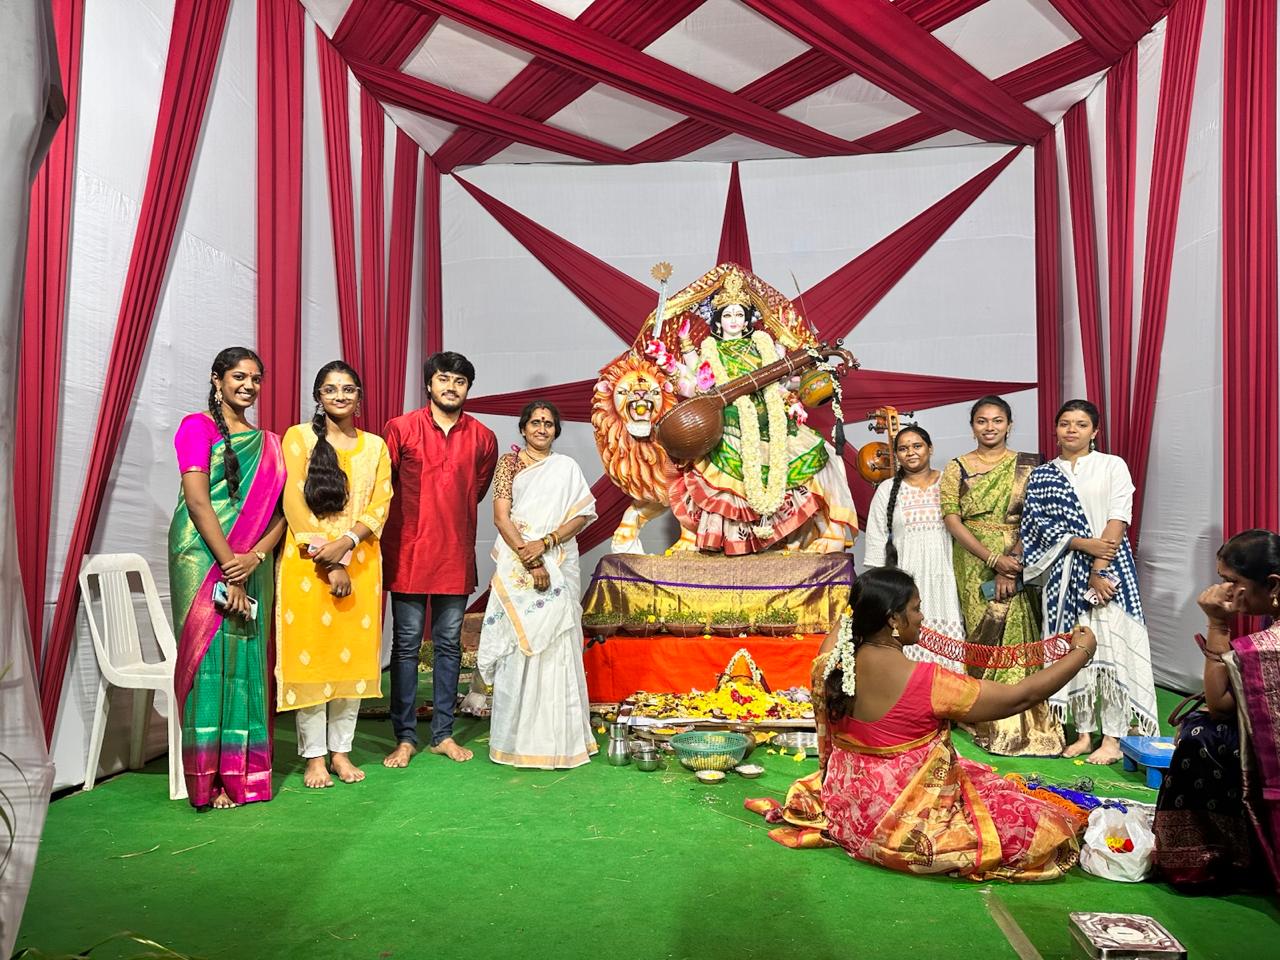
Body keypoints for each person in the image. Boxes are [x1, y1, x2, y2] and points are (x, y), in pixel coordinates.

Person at [748, 568, 1094, 880]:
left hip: (848, 812)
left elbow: (847, 619)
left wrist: (864, 603)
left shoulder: (831, 663)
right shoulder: (929, 682)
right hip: (903, 826)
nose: (922, 616)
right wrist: (1081, 653)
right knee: (1038, 825)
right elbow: (1019, 697)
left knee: (980, 778)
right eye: (915, 608)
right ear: (892, 619)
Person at [661, 267, 858, 555]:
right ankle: (729, 542)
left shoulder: (763, 346)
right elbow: (696, 383)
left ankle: (825, 531)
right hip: (729, 423)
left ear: (747, 319)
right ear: (718, 321)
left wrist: (799, 390)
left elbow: (783, 382)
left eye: (739, 315)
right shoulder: (710, 349)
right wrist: (669, 359)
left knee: (816, 458)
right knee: (724, 482)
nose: (733, 320)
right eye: (727, 315)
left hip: (771, 417)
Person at [168, 347, 286, 811]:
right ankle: (207, 780)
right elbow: (198, 502)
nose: (248, 386)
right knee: (209, 662)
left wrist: (253, 557)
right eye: (239, 376)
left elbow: (282, 515)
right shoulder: (195, 427)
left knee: (245, 660)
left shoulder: (269, 444)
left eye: (256, 379)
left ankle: (242, 775)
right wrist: (229, 565)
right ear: (217, 380)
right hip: (201, 556)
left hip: (251, 561)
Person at [1021, 400, 1158, 764]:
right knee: (1073, 649)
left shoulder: (1112, 465)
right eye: (1065, 423)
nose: (1072, 430)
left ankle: (1112, 737)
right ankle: (1083, 733)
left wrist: (1099, 570)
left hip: (1110, 570)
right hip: (1064, 571)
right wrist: (1082, 544)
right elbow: (1036, 527)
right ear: (1055, 429)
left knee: (1112, 647)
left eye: (1081, 424)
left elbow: (1117, 519)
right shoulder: (1042, 475)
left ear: (1095, 431)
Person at [276, 362, 392, 788]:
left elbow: (380, 504)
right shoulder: (298, 438)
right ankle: (314, 758)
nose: (340, 396)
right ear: (318, 396)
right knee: (313, 662)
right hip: (308, 565)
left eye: (348, 389)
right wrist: (330, 561)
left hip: (361, 562)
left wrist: (347, 544)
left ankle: (341, 752)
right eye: (330, 389)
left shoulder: (376, 446)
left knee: (350, 661)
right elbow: (292, 502)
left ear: (359, 397)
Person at [382, 352, 498, 767]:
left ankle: (442, 734)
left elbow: (475, 491)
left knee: (449, 646)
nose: (451, 387)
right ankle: (405, 737)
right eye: (444, 378)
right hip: (408, 553)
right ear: (429, 384)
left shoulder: (483, 437)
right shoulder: (400, 429)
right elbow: (384, 487)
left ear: (468, 388)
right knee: (406, 646)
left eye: (460, 381)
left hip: (454, 552)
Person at [1154, 529, 1280, 893]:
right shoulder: (1270, 619)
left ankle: (1213, 858)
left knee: (1203, 737)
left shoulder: (1270, 646)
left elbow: (1221, 704)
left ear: (1272, 584)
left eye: (1233, 581)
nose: (1224, 590)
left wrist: (1217, 624)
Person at [476, 401, 598, 768]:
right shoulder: (509, 465)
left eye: (548, 423)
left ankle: (563, 740)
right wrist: (530, 560)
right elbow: (501, 518)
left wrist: (545, 544)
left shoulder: (566, 468)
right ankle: (516, 741)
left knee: (558, 640)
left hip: (559, 558)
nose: (541, 428)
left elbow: (581, 515)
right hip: (519, 560)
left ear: (556, 430)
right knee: (520, 644)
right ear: (523, 428)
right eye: (535, 422)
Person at [940, 395, 1063, 756]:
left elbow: (1036, 516)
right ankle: (981, 714)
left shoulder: (1030, 466)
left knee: (1019, 632)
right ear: (972, 427)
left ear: (1009, 425)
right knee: (982, 632)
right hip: (973, 558)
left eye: (997, 420)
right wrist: (993, 558)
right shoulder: (957, 467)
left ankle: (1022, 720)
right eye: (982, 421)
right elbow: (952, 519)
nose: (989, 427)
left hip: (1021, 556)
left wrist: (1013, 560)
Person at [862, 424, 965, 672]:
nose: (911, 453)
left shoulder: (949, 483)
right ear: (896, 455)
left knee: (950, 649)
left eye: (917, 446)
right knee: (911, 649)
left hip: (948, 579)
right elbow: (876, 544)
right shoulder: (886, 490)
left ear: (930, 448)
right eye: (903, 449)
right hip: (907, 585)